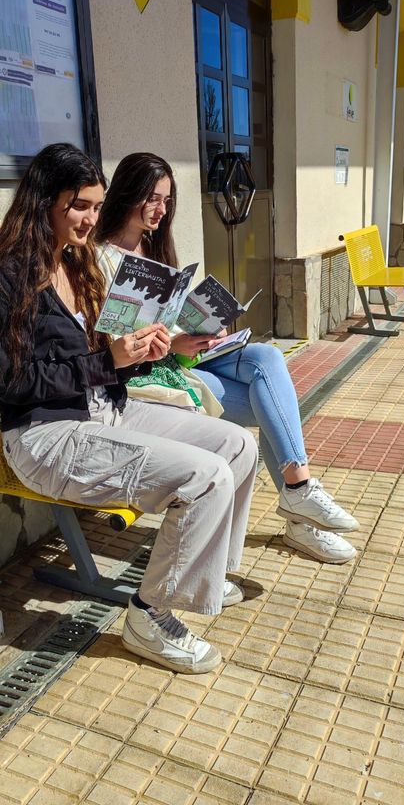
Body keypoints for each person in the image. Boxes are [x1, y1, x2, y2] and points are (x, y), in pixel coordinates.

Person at [0, 143, 259, 675]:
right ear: (44, 201)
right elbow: (13, 381)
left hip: (103, 409)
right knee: (205, 477)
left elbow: (101, 359)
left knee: (236, 444)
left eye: (96, 206)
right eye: (79, 206)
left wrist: (145, 351)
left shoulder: (79, 265)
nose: (90, 219)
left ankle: (203, 574)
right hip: (43, 435)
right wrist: (106, 361)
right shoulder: (11, 277)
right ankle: (150, 615)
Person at [96, 152, 360, 564]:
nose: (160, 210)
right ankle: (301, 514)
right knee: (269, 402)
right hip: (144, 377)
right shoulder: (99, 258)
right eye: (151, 197)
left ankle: (299, 492)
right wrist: (176, 344)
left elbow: (171, 317)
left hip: (180, 359)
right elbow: (113, 343)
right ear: (126, 193)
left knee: (266, 358)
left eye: (166, 200)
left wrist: (204, 329)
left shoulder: (154, 249)